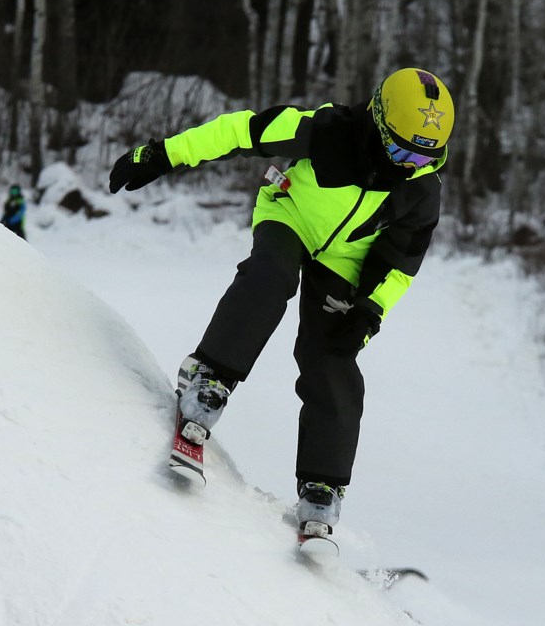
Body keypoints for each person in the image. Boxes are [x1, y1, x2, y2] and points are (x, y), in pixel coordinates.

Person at [109, 68, 454, 542]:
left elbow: (401, 265)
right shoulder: (326, 131)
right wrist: (164, 154)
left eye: (424, 156)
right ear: (377, 120)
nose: (409, 163)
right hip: (289, 214)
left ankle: (322, 485)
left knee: (333, 355)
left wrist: (369, 313)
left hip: (346, 261)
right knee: (271, 279)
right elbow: (239, 131)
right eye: (401, 149)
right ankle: (210, 377)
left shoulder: (422, 188)